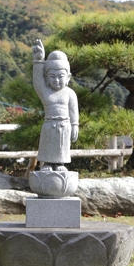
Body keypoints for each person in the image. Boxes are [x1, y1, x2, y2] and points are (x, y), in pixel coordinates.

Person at [32, 40, 79, 171]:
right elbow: (37, 82)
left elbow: (73, 111)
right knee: (48, 146)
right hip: (49, 125)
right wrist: (38, 61)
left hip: (64, 125)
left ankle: (60, 164)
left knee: (61, 147)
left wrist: (75, 126)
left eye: (60, 76)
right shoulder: (45, 92)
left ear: (68, 77)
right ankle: (47, 164)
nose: (56, 80)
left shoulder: (70, 93)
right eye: (52, 76)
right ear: (46, 77)